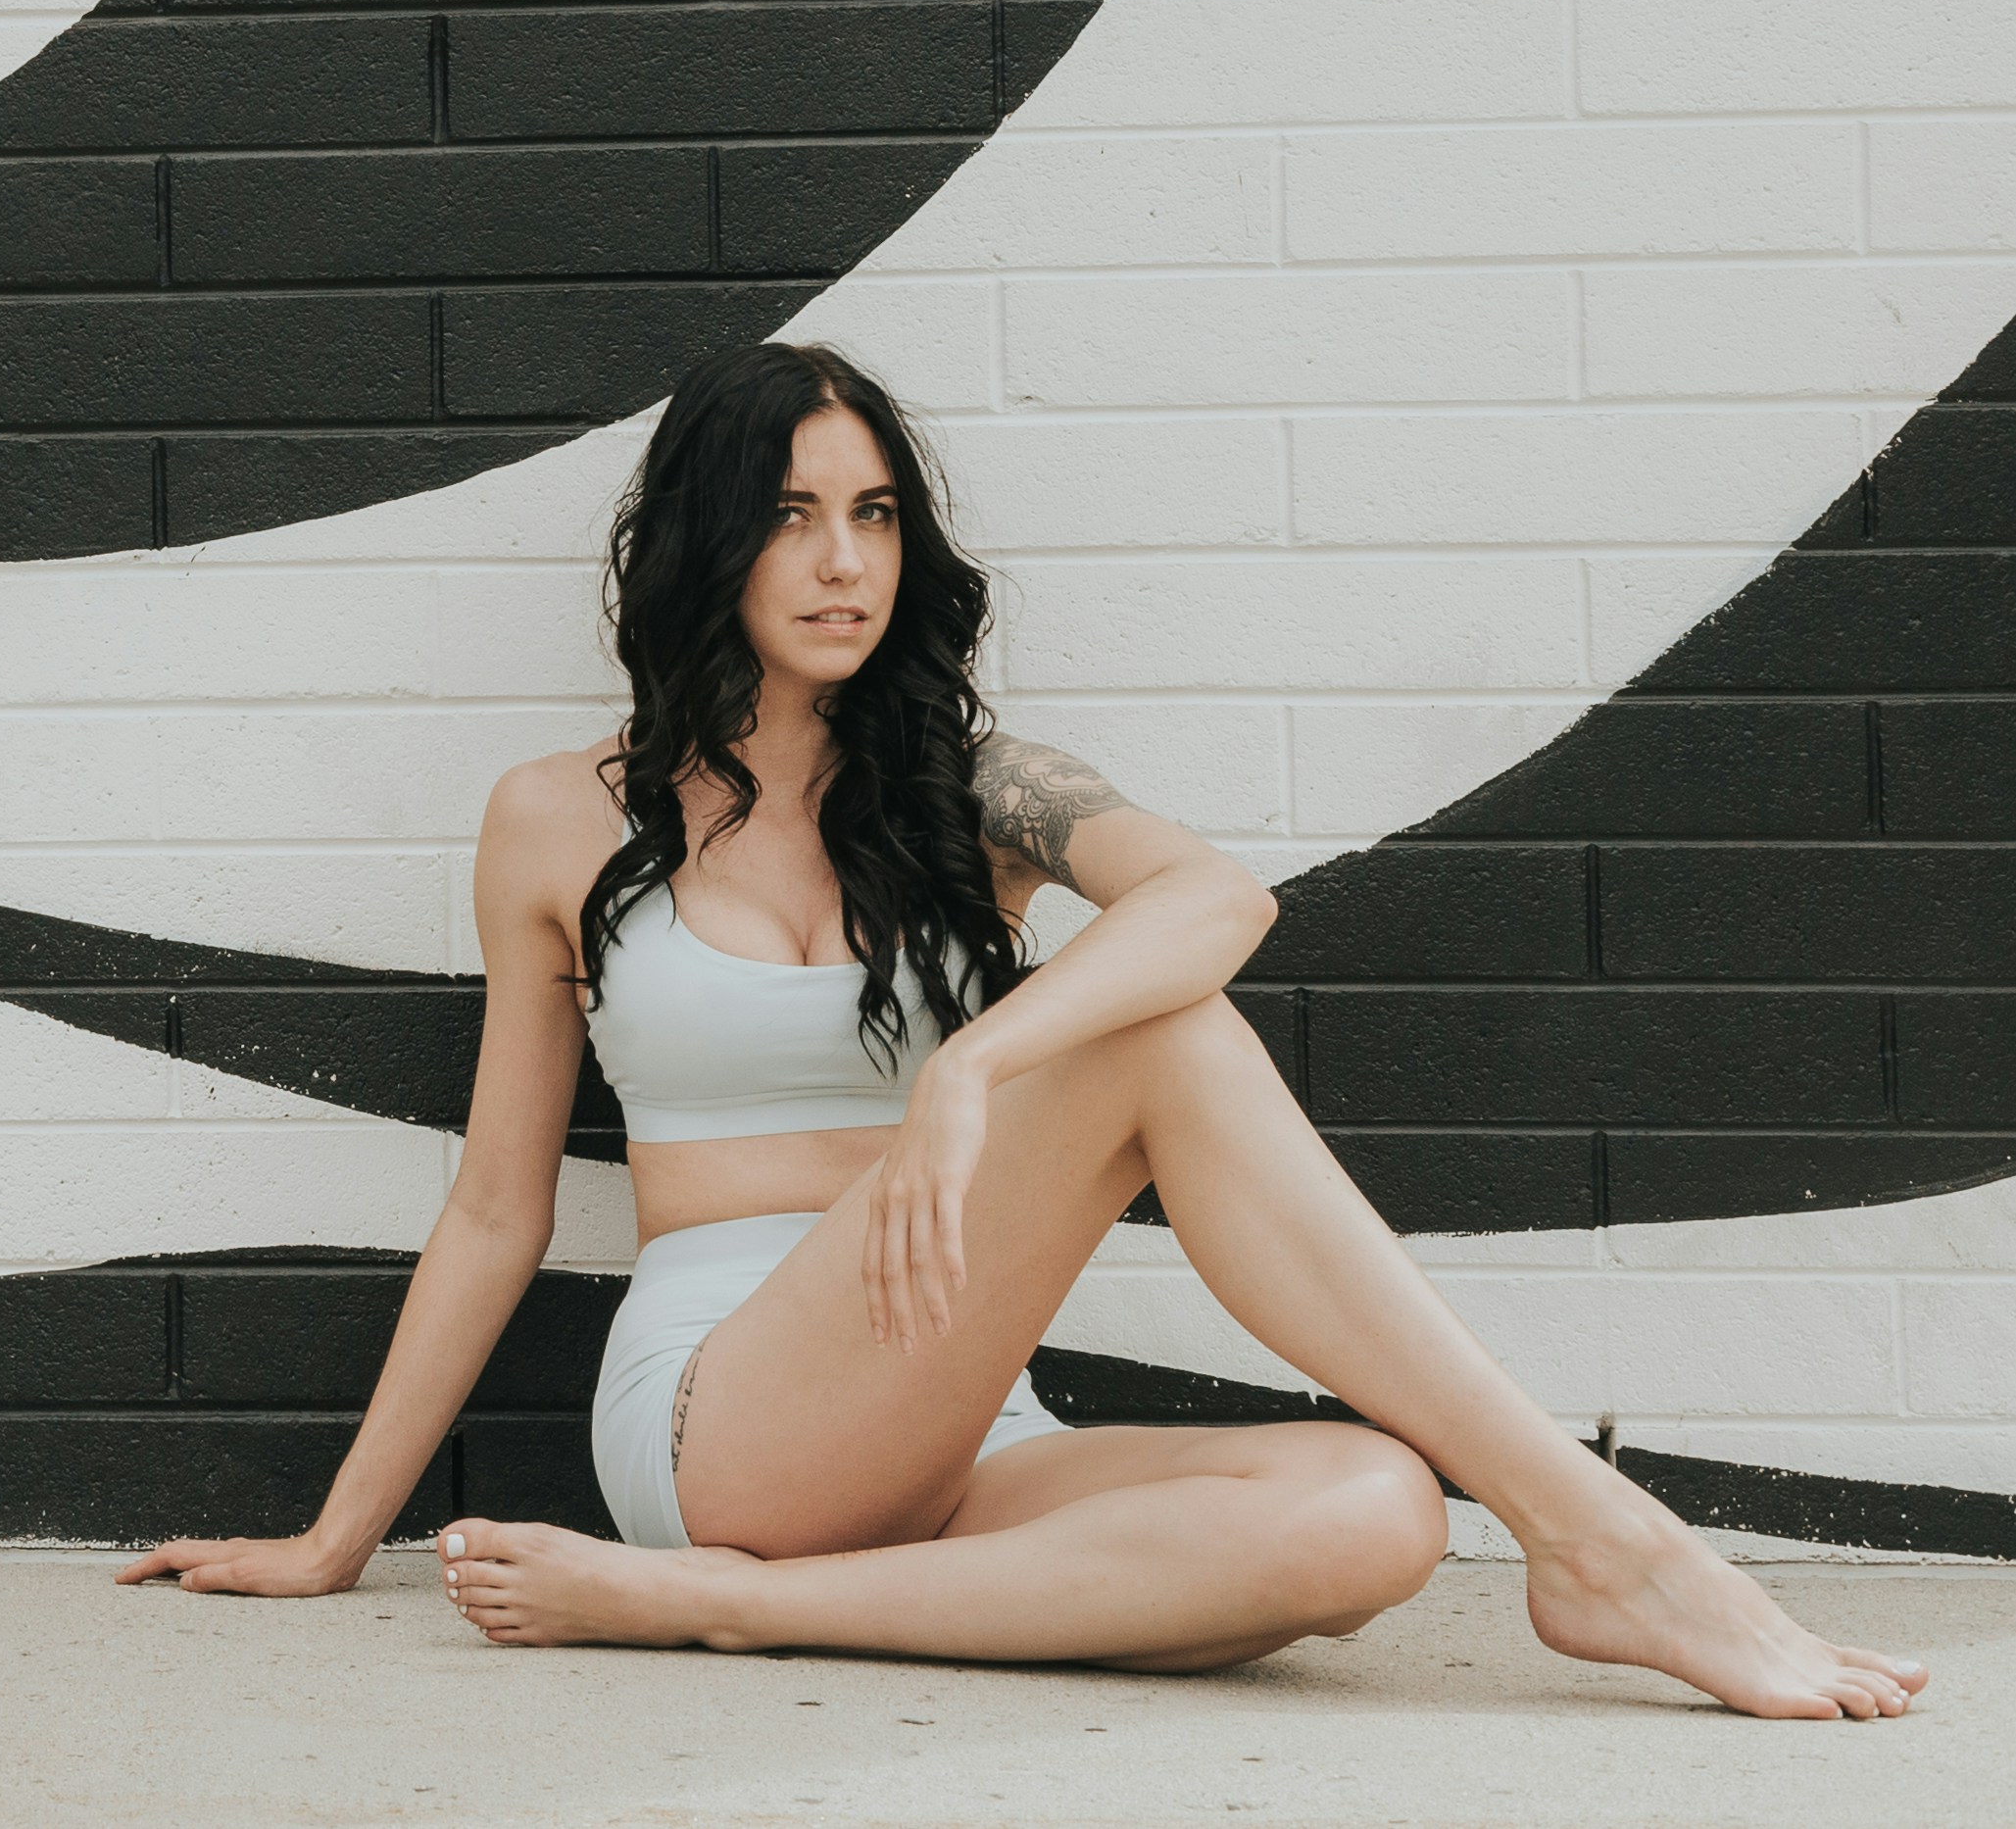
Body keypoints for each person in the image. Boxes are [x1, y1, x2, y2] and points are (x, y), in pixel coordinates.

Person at [121, 342, 1925, 1719]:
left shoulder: (972, 793)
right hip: (721, 1416)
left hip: (952, 1426)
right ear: (704, 538)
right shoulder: (551, 820)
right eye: (794, 512)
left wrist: (970, 1062)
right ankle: (1605, 1541)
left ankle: (726, 1606)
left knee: (1374, 1513)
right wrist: (331, 1535)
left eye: (877, 513)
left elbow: (1223, 893)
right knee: (1157, 1035)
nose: (846, 561)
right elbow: (498, 1208)